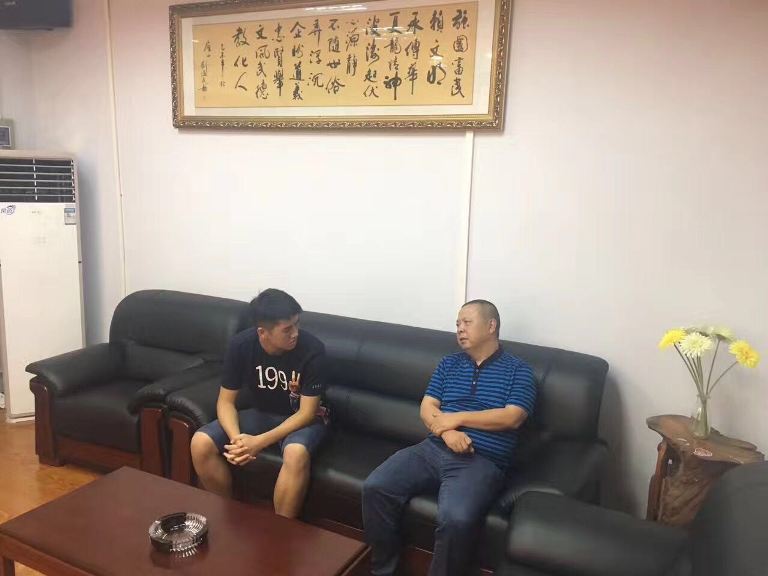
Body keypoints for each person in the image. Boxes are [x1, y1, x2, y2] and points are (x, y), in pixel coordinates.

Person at [362, 300, 536, 576]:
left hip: (480, 460)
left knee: (456, 518)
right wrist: (447, 432)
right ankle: (383, 570)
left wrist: (457, 418)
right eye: (457, 324)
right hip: (433, 448)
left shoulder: (519, 371)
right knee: (376, 486)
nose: (460, 329)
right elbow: (427, 407)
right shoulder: (449, 364)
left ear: (491, 326)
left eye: (467, 322)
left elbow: (512, 416)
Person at [190, 288, 328, 518]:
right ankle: (228, 514)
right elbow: (225, 402)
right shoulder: (241, 345)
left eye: (297, 324)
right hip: (261, 413)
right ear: (263, 332)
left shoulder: (313, 349)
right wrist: (237, 440)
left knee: (295, 453)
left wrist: (258, 442)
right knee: (200, 442)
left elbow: (307, 413)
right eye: (287, 329)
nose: (295, 333)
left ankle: (279, 529)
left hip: (302, 419)